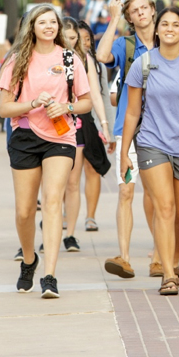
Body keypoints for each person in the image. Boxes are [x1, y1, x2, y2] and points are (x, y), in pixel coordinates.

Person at [0, 4, 93, 298]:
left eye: (53, 22)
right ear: (32, 27)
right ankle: (29, 260)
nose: (49, 27)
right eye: (43, 22)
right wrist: (32, 103)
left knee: (52, 202)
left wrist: (66, 106)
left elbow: (86, 102)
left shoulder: (70, 58)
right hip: (25, 135)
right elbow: (4, 108)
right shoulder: (17, 60)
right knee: (25, 211)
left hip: (61, 137)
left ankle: (50, 276)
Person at [120, 7, 179, 295]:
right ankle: (168, 275)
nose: (170, 28)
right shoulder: (143, 64)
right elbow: (132, 112)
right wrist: (124, 152)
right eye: (165, 24)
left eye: (176, 24)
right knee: (165, 208)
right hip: (152, 143)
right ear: (157, 29)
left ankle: (174, 260)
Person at [96, 0, 159, 280]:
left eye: (144, 7)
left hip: (162, 129)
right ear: (130, 18)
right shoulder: (126, 45)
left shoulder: (169, 40)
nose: (141, 13)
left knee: (158, 195)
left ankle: (160, 256)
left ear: (153, 9)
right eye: (134, 11)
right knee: (126, 190)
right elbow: (101, 55)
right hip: (128, 128)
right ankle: (124, 257)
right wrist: (114, 19)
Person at [61, 18, 113, 250]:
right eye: (67, 38)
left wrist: (105, 125)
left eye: (75, 38)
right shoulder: (42, 57)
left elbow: (96, 95)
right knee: (53, 184)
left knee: (73, 182)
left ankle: (70, 234)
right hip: (47, 126)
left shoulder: (84, 60)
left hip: (78, 124)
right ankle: (49, 229)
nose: (72, 42)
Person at [77, 21, 115, 232]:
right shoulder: (62, 62)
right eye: (78, 38)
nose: (84, 43)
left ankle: (90, 216)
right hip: (70, 123)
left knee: (92, 168)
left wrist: (109, 131)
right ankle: (65, 212)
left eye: (88, 39)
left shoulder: (97, 64)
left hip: (93, 123)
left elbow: (103, 96)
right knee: (69, 173)